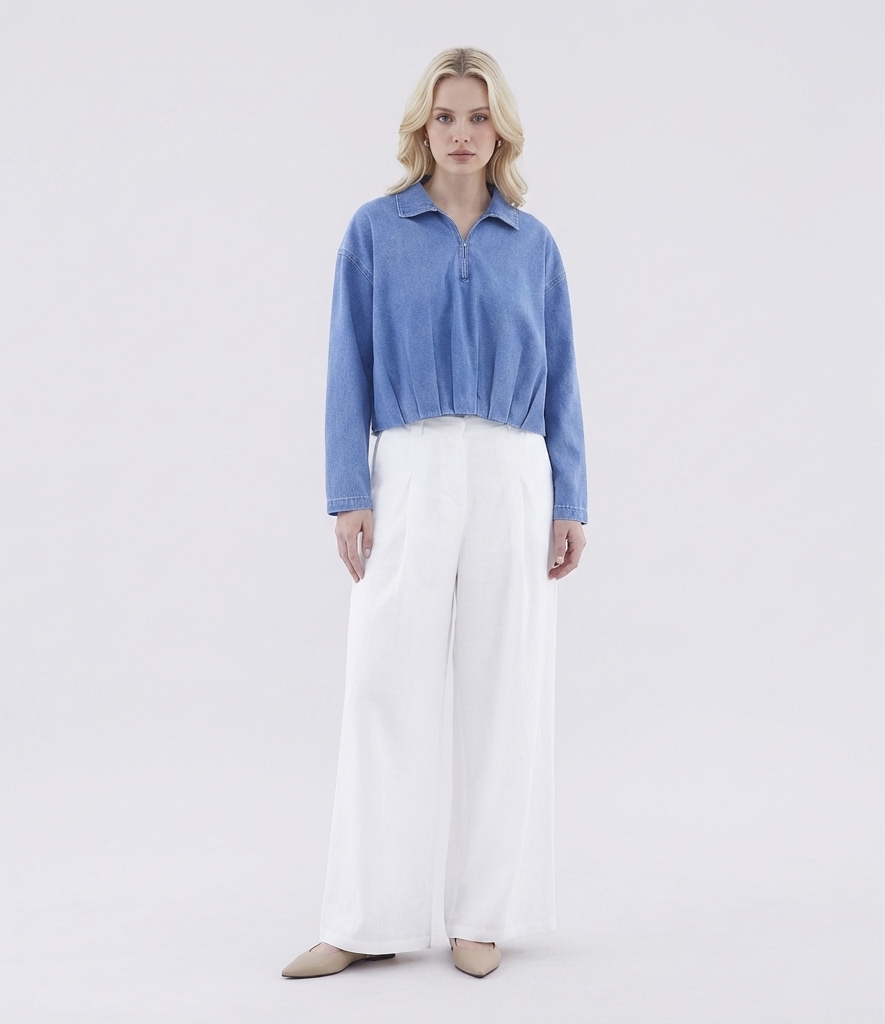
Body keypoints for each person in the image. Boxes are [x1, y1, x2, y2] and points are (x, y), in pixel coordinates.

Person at [283, 46, 588, 981]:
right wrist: (349, 489)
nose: (461, 133)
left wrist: (570, 498)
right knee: (385, 684)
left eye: (478, 117)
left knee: (505, 688)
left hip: (512, 470)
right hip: (409, 465)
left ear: (502, 131)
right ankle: (363, 917)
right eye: (446, 116)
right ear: (423, 126)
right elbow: (347, 362)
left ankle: (482, 914)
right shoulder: (375, 231)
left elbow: (565, 379)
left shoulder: (532, 244)